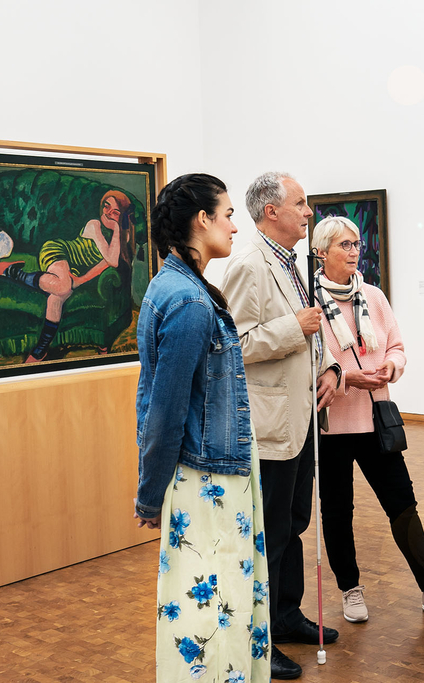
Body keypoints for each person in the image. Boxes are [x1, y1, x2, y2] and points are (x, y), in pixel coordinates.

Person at [311, 216, 424, 623]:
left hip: (376, 419)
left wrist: (392, 365)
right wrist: (344, 377)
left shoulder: (372, 295)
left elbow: (398, 346)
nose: (355, 251)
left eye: (357, 244)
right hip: (331, 425)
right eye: (344, 245)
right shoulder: (309, 301)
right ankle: (349, 589)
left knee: (403, 505)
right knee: (338, 511)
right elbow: (307, 363)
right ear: (322, 252)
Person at [133, 173, 269, 682]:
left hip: (209, 469)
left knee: (214, 602)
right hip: (206, 479)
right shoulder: (189, 302)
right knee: (213, 609)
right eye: (229, 214)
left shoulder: (175, 286)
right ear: (202, 220)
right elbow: (163, 411)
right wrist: (149, 495)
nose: (236, 225)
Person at [220, 172, 341, 681]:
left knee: (293, 523)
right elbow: (236, 345)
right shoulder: (249, 266)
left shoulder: (291, 263)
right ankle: (259, 639)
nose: (308, 212)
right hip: (270, 427)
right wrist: (297, 329)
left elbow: (306, 333)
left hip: (300, 417)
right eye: (300, 203)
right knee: (269, 532)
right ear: (271, 211)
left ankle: (286, 615)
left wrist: (328, 368)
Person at [0, 189, 134, 362]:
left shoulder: (123, 238)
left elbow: (105, 265)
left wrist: (79, 281)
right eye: (106, 207)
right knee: (63, 287)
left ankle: (41, 350)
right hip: (59, 251)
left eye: (115, 212)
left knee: (58, 296)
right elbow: (113, 260)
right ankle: (10, 271)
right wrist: (116, 228)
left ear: (122, 216)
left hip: (74, 270)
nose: (107, 213)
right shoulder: (94, 224)